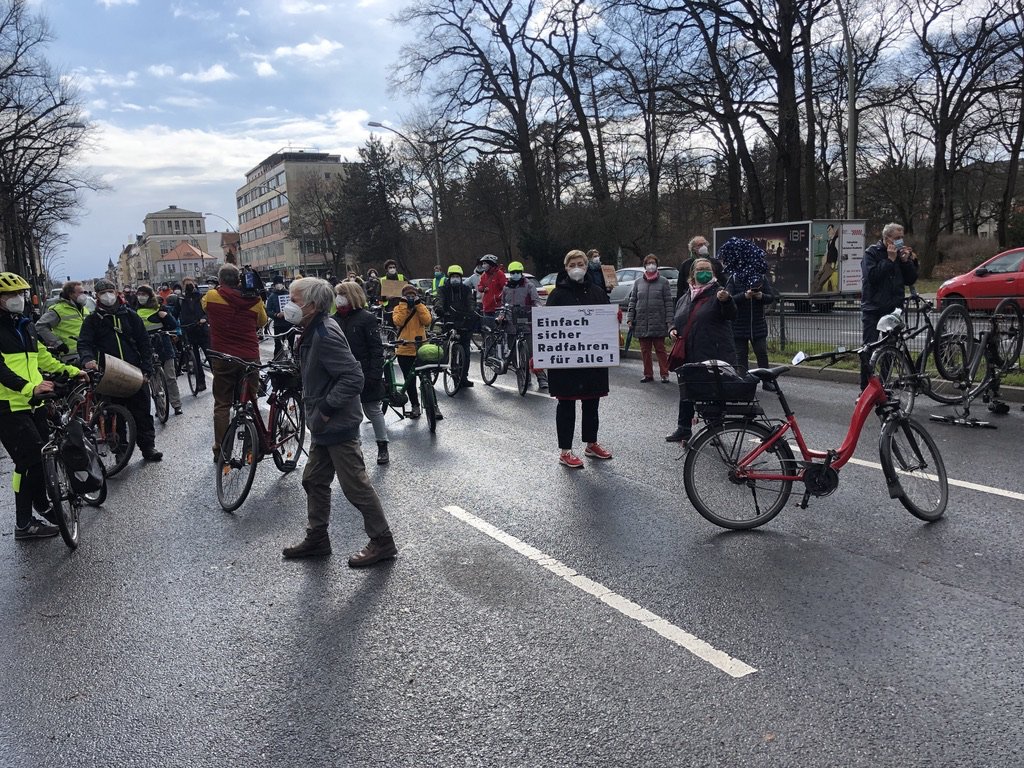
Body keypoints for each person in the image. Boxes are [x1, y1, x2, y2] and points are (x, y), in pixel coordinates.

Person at [281, 278, 397, 565]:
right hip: (323, 425)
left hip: (337, 423)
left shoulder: (324, 333)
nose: (289, 306)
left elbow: (353, 377)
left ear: (312, 304)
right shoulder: (310, 330)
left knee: (355, 486)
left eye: (294, 300)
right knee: (314, 480)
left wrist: (326, 410)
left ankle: (382, 541)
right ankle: (317, 538)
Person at [0, 272, 86, 540]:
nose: (19, 299)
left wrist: (71, 371)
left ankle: (41, 506)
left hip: (34, 401)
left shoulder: (24, 324)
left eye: (22, 294)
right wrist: (28, 388)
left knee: (41, 457)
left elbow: (41, 357)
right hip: (9, 405)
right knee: (27, 462)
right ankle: (24, 524)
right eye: (12, 295)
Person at [78, 279, 163, 462]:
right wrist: (88, 360)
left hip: (134, 371)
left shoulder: (131, 316)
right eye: (103, 292)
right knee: (111, 415)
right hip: (108, 373)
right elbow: (84, 343)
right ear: (98, 296)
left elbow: (144, 343)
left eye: (110, 291)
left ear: (116, 293)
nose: (108, 295)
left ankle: (148, 447)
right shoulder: (92, 320)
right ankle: (120, 450)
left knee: (142, 412)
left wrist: (146, 369)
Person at [545, 250, 613, 468]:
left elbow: (606, 322)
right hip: (566, 364)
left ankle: (591, 443)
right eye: (572, 264)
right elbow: (547, 328)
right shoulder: (557, 295)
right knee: (566, 405)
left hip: (592, 360)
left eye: (581, 263)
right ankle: (565, 450)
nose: (577, 267)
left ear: (586, 266)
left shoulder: (597, 291)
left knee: (592, 403)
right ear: (566, 268)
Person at [665, 258, 737, 444]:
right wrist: (672, 328)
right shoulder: (685, 296)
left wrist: (727, 301)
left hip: (713, 352)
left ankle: (715, 431)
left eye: (708, 269)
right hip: (689, 352)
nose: (704, 272)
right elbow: (677, 318)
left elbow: (731, 314)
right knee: (687, 390)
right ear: (693, 274)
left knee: (713, 392)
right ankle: (683, 428)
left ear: (713, 273)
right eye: (700, 269)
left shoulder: (719, 293)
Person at [203, 264, 268, 461]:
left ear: (220, 280)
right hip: (249, 357)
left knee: (222, 404)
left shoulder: (212, 297)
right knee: (250, 401)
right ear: (239, 280)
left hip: (223, 357)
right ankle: (250, 449)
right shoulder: (254, 300)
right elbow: (263, 322)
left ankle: (222, 451)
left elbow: (204, 307)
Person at [334, 281, 390, 465]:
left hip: (365, 371)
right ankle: (355, 450)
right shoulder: (334, 320)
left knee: (372, 409)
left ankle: (382, 445)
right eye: (337, 294)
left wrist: (375, 374)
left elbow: (376, 349)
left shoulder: (366, 318)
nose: (338, 298)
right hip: (343, 374)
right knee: (351, 413)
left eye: (342, 294)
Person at [860, 222, 918, 389]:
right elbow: (872, 277)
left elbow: (911, 279)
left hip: (893, 308)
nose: (900, 241)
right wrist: (889, 260)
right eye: (897, 238)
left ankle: (883, 386)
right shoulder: (872, 253)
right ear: (887, 239)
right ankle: (865, 389)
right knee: (869, 350)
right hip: (873, 308)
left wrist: (906, 262)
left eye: (902, 238)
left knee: (889, 350)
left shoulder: (901, 255)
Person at [392, 282, 438, 420]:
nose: (411, 297)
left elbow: (427, 320)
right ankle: (415, 406)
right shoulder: (398, 308)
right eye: (408, 295)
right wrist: (404, 305)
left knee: (427, 380)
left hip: (421, 348)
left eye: (413, 295)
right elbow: (398, 322)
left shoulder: (421, 307)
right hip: (404, 350)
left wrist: (418, 305)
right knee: (410, 381)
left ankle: (433, 407)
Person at [135, 285, 184, 415]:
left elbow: (173, 324)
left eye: (143, 294)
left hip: (164, 345)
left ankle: (176, 404)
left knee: (170, 377)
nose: (141, 297)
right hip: (147, 348)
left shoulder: (160, 308)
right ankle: (160, 405)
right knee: (154, 379)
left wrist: (165, 316)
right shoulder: (135, 312)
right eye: (139, 294)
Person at [627, 254, 674, 383]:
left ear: (657, 265)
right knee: (645, 351)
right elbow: (632, 301)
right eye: (648, 263)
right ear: (645, 266)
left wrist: (669, 322)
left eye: (653, 263)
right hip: (642, 321)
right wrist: (630, 318)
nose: (651, 265)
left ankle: (665, 374)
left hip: (658, 321)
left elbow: (668, 303)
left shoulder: (663, 282)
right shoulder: (638, 282)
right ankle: (648, 374)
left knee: (660, 349)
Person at [501, 261, 547, 390]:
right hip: (511, 324)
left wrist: (538, 309)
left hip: (526, 323)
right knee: (514, 353)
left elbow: (536, 301)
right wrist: (502, 316)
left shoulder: (529, 286)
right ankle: (521, 374)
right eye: (513, 273)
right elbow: (503, 304)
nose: (515, 275)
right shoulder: (506, 288)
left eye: (518, 272)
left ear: (521, 273)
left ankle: (542, 378)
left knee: (532, 353)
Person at [726, 266, 777, 380]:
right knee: (741, 355)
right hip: (738, 324)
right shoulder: (733, 279)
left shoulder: (761, 278)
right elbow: (729, 299)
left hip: (758, 325)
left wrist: (761, 296)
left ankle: (767, 381)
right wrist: (744, 296)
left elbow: (771, 297)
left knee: (761, 353)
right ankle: (743, 381)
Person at [436, 265, 475, 388]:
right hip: (449, 320)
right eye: (453, 276)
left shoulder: (466, 289)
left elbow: (470, 302)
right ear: (449, 277)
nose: (455, 279)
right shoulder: (443, 289)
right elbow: (439, 300)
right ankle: (449, 369)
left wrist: (472, 311)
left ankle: (463, 377)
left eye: (457, 276)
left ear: (461, 277)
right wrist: (439, 309)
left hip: (464, 321)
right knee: (447, 347)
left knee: (466, 350)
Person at [35, 280, 90, 358]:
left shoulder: (84, 309)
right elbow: (40, 326)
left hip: (87, 354)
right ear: (70, 294)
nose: (83, 295)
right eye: (80, 293)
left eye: (84, 292)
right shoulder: (58, 310)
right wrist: (58, 344)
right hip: (70, 355)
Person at [178, 277, 209, 392]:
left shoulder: (201, 297)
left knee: (210, 356)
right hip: (189, 332)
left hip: (202, 330)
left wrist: (204, 319)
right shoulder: (181, 299)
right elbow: (175, 313)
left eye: (190, 284)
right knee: (195, 359)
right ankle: (201, 382)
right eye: (186, 285)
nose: (189, 286)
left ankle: (218, 380)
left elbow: (207, 311)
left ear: (194, 284)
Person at [676, 235, 725, 304]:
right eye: (700, 245)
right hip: (691, 300)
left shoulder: (715, 263)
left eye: (704, 244)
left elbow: (723, 281)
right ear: (693, 248)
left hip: (712, 299)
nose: (703, 246)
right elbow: (681, 287)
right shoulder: (686, 265)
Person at [265, 278, 293, 359]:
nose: (278, 285)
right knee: (278, 345)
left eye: (280, 283)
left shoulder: (289, 294)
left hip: (290, 324)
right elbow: (268, 311)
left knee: (292, 345)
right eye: (277, 283)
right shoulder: (272, 296)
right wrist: (276, 315)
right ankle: (277, 362)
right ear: (274, 285)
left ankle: (295, 361)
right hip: (278, 325)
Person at [476, 254, 507, 321]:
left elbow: (505, 288)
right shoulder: (484, 275)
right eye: (482, 263)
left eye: (485, 263)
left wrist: (498, 297)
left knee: (498, 326)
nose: (483, 265)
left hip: (497, 307)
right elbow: (480, 286)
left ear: (490, 264)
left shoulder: (499, 274)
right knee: (488, 326)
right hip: (487, 306)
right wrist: (483, 289)